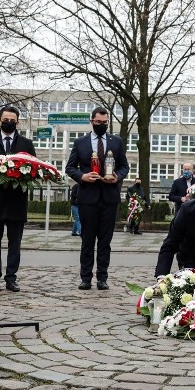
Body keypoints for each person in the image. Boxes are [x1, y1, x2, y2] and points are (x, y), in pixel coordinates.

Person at [66, 107, 130, 290]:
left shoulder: (116, 142)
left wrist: (118, 176)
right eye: (98, 122)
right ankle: (85, 277)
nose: (102, 125)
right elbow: (70, 167)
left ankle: (103, 277)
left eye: (105, 122)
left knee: (105, 241)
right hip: (87, 197)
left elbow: (124, 166)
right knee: (87, 241)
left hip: (109, 198)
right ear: (91, 121)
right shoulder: (80, 142)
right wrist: (82, 176)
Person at [0, 104, 36, 293]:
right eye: (5, 120)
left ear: (17, 122)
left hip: (16, 201)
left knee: (15, 243)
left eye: (12, 121)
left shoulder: (26, 144)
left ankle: (11, 278)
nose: (8, 123)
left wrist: (19, 175)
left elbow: (33, 170)